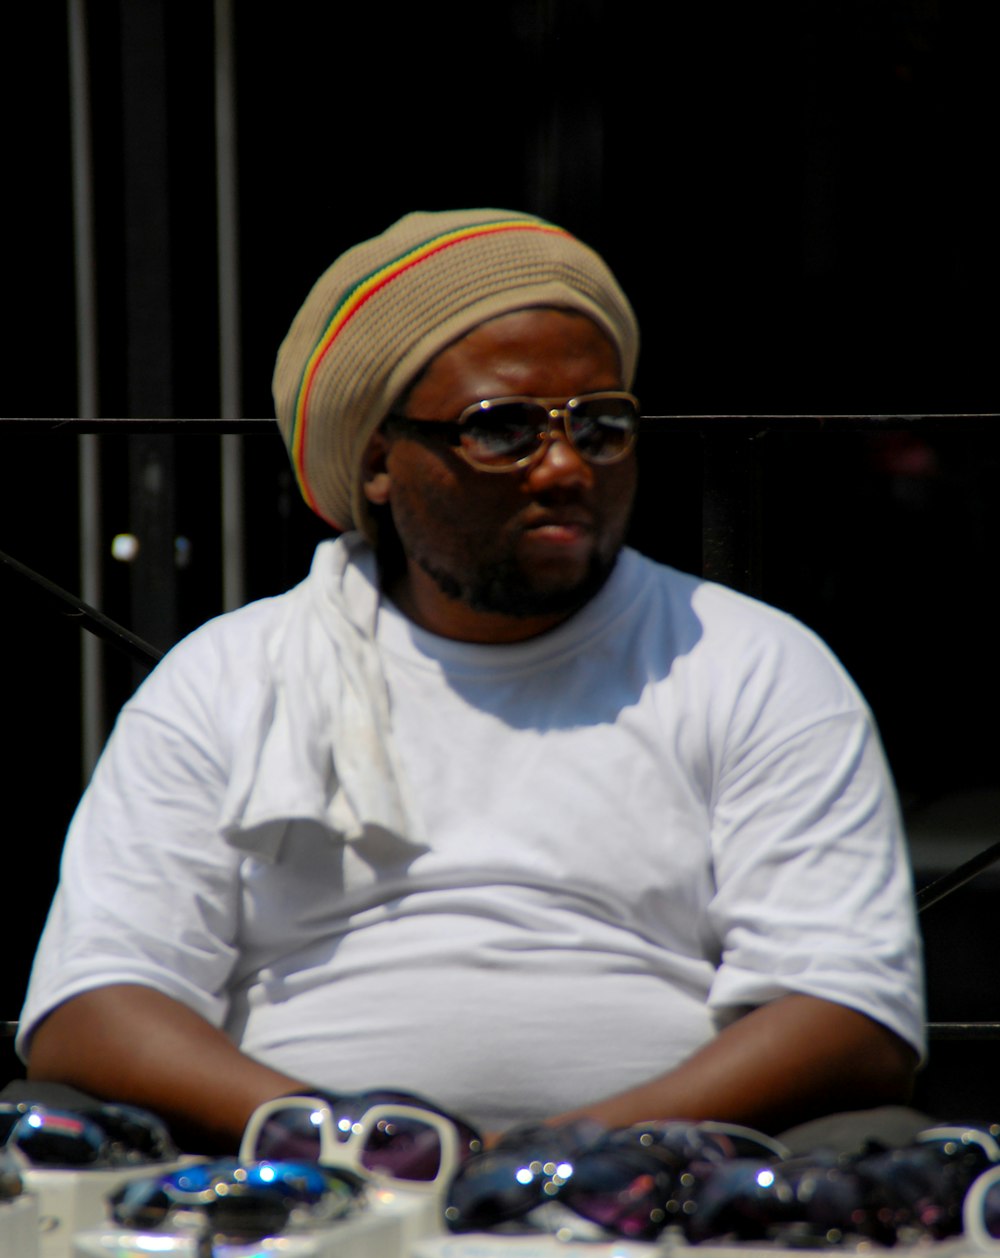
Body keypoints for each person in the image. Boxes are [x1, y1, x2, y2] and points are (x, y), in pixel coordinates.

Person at [16, 208, 923, 1154]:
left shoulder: (752, 666)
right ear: (377, 461)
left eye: (602, 426)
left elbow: (850, 1015)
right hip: (294, 1196)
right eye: (504, 430)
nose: (567, 465)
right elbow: (94, 1010)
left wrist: (560, 1153)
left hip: (666, 1194)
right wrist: (364, 1142)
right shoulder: (228, 677)